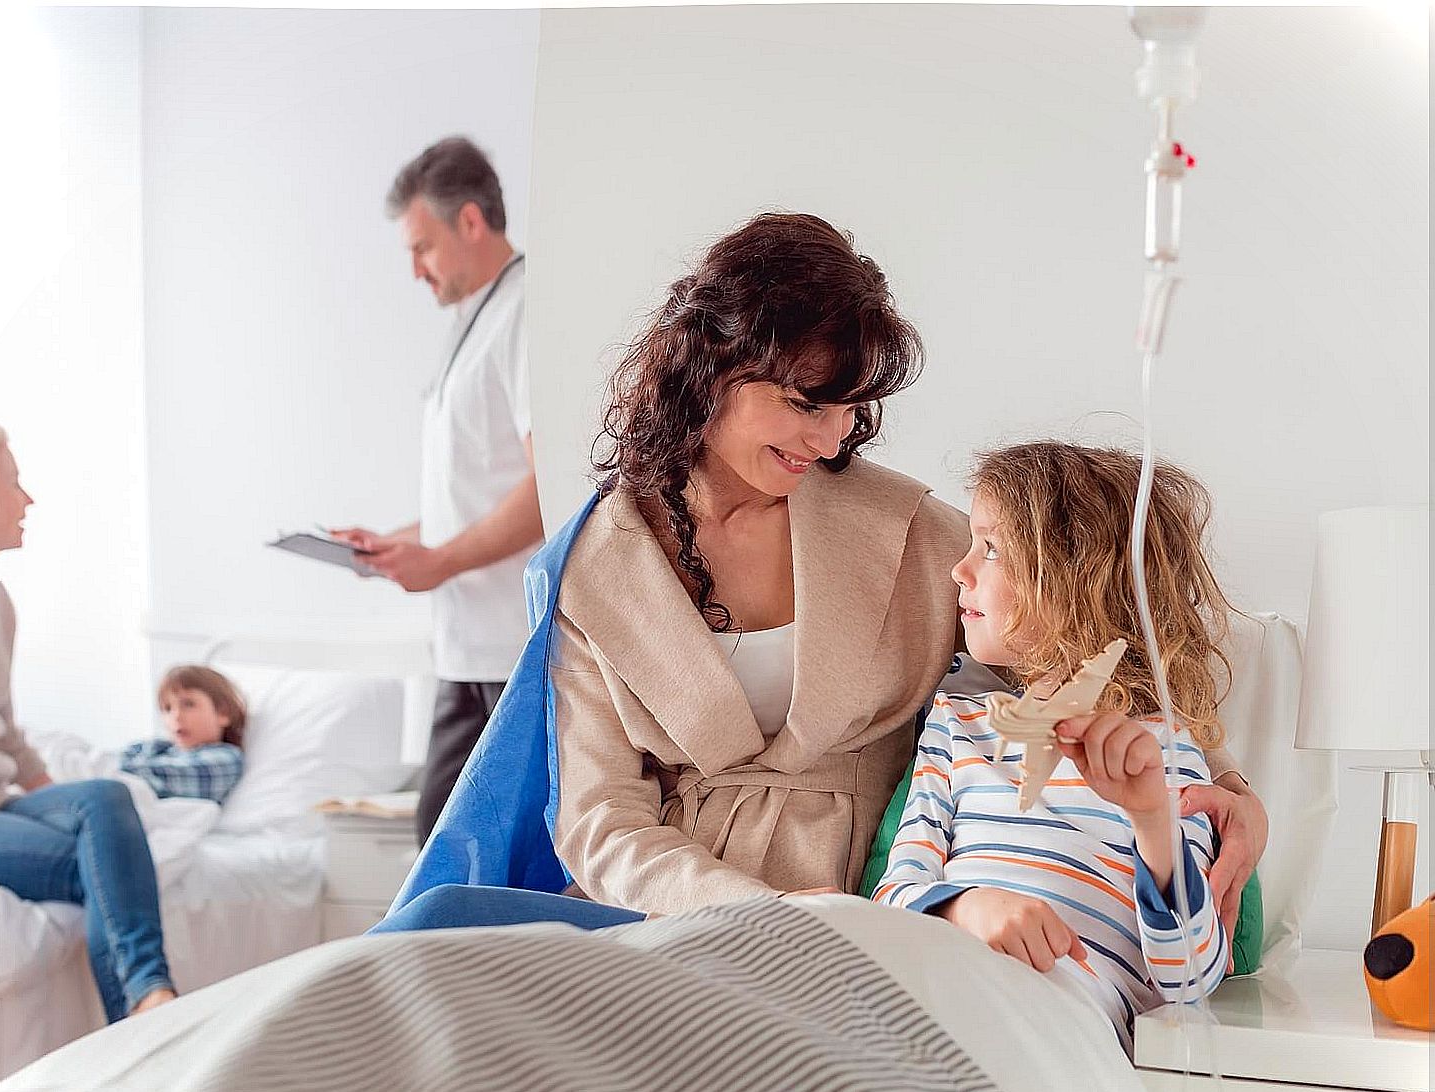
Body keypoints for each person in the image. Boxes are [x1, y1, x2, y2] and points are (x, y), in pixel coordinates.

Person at [380, 212, 1268, 936]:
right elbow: (598, 818)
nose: (831, 438)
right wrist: (756, 911)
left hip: (872, 909)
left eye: (849, 408)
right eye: (803, 404)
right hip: (674, 913)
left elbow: (1082, 634)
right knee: (438, 932)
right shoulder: (598, 565)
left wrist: (1224, 787)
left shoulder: (910, 531)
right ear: (709, 367)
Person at [872, 441, 1233, 1052]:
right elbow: (896, 892)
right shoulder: (957, 725)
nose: (960, 571)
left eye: (990, 550)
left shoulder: (1160, 754)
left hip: (1052, 1006)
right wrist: (966, 908)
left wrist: (1151, 819)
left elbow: (1191, 977)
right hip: (927, 967)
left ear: (1074, 581)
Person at [0, 416, 176, 1022]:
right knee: (99, 868)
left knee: (104, 799)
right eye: (14, 483)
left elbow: (5, 729)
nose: (28, 499)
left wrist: (73, 808)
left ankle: (149, 1006)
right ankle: (147, 1009)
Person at [333, 136, 542, 846]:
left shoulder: (526, 312)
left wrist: (443, 560)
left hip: (513, 650)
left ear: (472, 221)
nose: (416, 269)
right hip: (465, 647)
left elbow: (549, 490)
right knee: (440, 850)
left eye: (421, 247)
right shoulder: (471, 322)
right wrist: (404, 540)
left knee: (473, 860)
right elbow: (478, 485)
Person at [120, 665, 247, 804]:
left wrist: (121, 770)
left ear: (223, 713)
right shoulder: (155, 748)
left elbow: (166, 777)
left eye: (188, 704)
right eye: (167, 708)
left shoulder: (224, 757)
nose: (176, 716)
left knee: (103, 789)